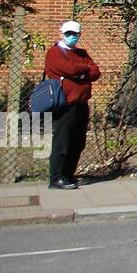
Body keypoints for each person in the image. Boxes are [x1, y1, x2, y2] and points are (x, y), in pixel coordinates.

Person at [43, 20, 101, 190]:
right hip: (64, 104)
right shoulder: (54, 53)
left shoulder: (82, 53)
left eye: (74, 34)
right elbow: (66, 68)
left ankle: (69, 175)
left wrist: (79, 73)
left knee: (78, 142)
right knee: (62, 142)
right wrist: (83, 71)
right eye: (68, 34)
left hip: (81, 103)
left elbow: (95, 72)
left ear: (79, 35)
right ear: (62, 33)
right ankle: (56, 178)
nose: (71, 37)